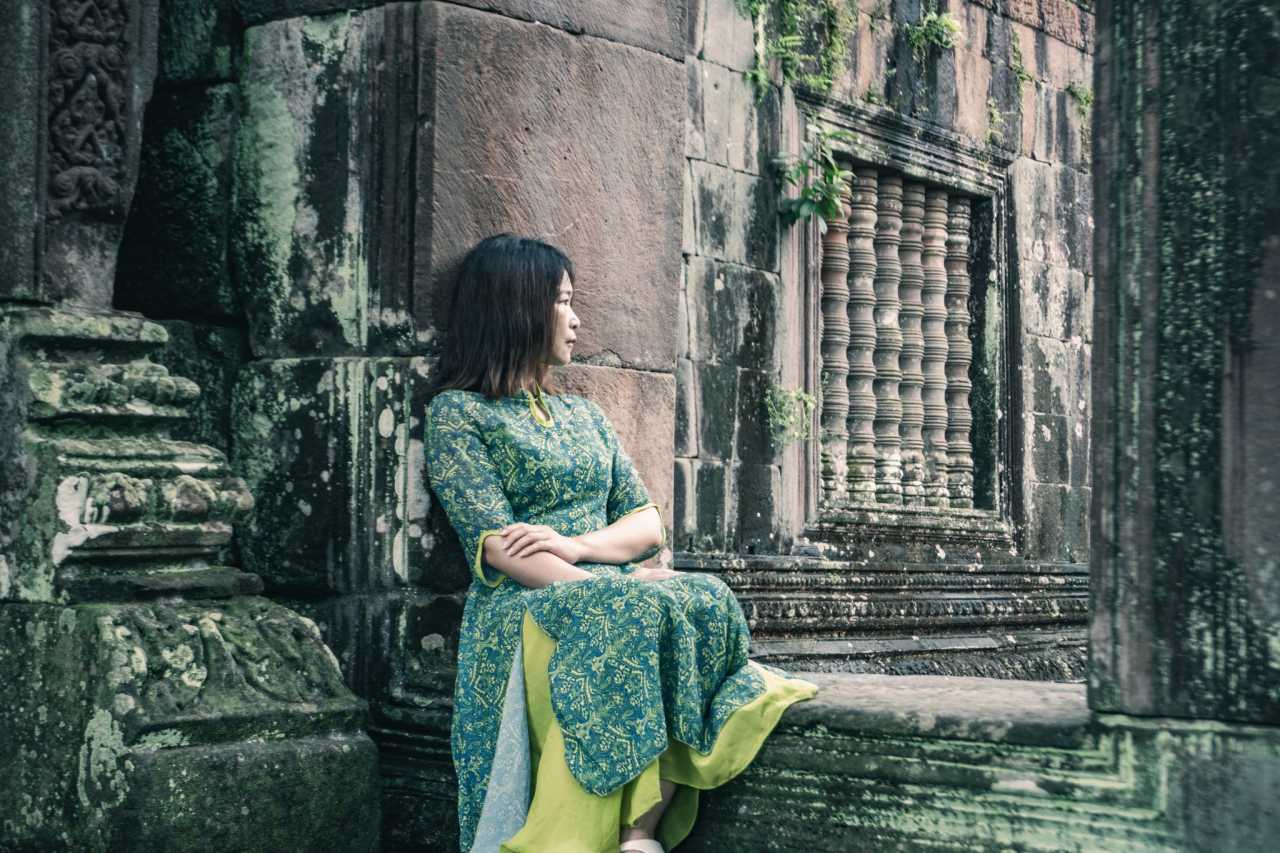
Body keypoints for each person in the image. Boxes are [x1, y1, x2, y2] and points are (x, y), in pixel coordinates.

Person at [424, 234, 818, 853]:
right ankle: (619, 836)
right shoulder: (459, 414)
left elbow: (646, 525)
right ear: (516, 308)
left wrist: (581, 548)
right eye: (562, 302)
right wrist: (611, 588)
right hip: (526, 602)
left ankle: (640, 832)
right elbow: (498, 548)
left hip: (593, 578)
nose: (576, 319)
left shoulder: (585, 416)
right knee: (642, 609)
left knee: (706, 595)